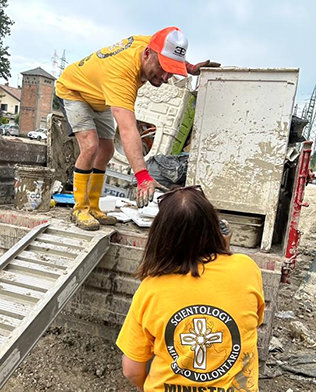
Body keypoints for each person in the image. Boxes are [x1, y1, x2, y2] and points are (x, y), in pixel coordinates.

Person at [56, 26, 219, 231]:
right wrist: (142, 177)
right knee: (90, 146)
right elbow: (127, 129)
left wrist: (189, 68)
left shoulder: (150, 44)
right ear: (148, 54)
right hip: (75, 90)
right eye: (162, 67)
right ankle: (80, 208)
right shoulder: (121, 76)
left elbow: (168, 55)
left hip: (99, 95)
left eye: (172, 68)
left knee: (106, 150)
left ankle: (94, 206)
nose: (166, 76)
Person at [116, 186, 265, 392]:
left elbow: (131, 370)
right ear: (215, 227)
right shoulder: (246, 268)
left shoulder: (151, 288)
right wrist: (223, 246)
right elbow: (250, 322)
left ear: (160, 236)